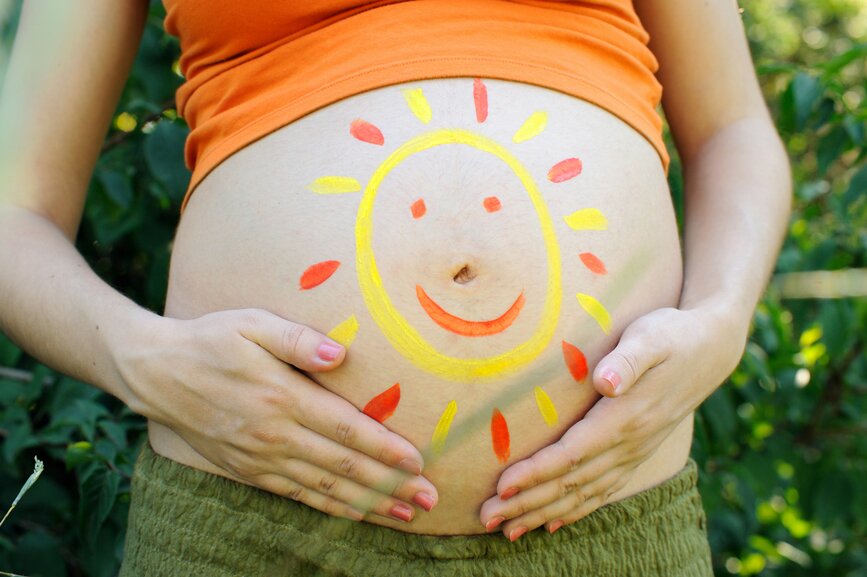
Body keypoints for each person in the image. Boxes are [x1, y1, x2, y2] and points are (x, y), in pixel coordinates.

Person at [0, 1, 791, 575]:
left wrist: (721, 322)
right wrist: (140, 360)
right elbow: (13, 211)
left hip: (600, 515)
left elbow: (732, 127)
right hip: (252, 522)